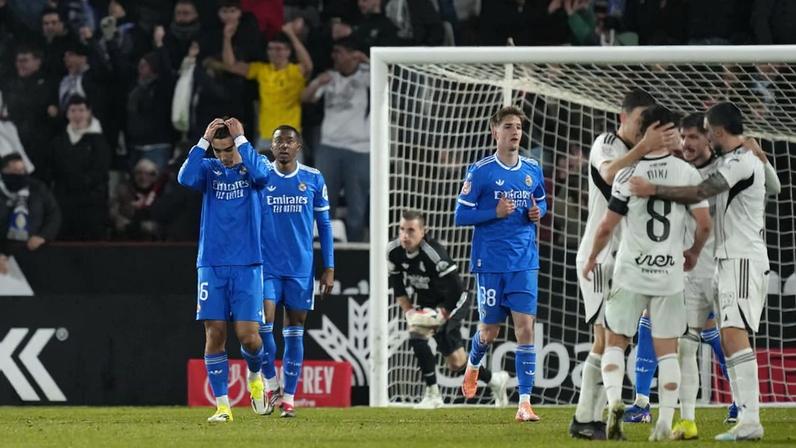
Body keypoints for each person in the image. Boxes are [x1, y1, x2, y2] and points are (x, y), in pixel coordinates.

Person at [629, 102, 781, 441]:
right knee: (695, 340)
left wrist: (653, 188)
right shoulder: (733, 159)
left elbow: (701, 191)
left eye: (705, 131)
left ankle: (750, 418)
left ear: (718, 131)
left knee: (733, 336)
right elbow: (773, 187)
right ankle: (692, 419)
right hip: (718, 264)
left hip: (740, 259)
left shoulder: (740, 161)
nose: (700, 139)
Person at [583, 105, 712, 441]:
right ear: (666, 132)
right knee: (668, 349)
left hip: (630, 272)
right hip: (668, 273)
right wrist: (694, 252)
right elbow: (705, 224)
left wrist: (592, 258)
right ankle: (665, 424)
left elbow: (606, 226)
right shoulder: (688, 175)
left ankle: (613, 402)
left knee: (615, 341)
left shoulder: (629, 175)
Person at [569, 89, 678, 440]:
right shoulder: (606, 143)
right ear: (623, 118)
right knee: (604, 338)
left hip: (624, 258)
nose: (644, 128)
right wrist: (645, 147)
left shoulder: (643, 156)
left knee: (618, 340)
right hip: (598, 256)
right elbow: (608, 173)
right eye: (639, 121)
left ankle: (594, 417)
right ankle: (585, 419)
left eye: (649, 124)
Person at [454, 106, 547, 422]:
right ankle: (473, 364)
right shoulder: (480, 171)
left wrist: (539, 213)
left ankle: (524, 403)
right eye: (508, 126)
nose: (515, 132)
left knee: (525, 329)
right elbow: (461, 215)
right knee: (489, 331)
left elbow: (541, 199)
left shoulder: (533, 167)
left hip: (524, 262)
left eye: (518, 126)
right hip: (490, 263)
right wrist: (494, 212)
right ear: (495, 131)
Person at [177, 117, 270, 422]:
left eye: (228, 149)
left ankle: (255, 378)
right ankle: (223, 407)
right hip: (212, 263)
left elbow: (262, 177)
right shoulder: (208, 169)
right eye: (218, 151)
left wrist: (242, 141)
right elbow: (184, 179)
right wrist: (203, 142)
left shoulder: (252, 165)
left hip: (247, 264)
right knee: (215, 333)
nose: (225, 156)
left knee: (248, 337)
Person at [388, 209, 510, 409]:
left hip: (454, 301)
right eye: (402, 229)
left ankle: (487, 382)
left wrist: (442, 314)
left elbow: (456, 288)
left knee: (451, 359)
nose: (405, 235)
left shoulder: (434, 254)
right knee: (429, 344)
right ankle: (488, 382)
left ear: (423, 231)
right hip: (429, 302)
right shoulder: (393, 251)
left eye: (411, 230)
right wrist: (410, 312)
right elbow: (398, 285)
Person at [257, 125, 334, 418]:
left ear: (299, 146)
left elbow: (324, 226)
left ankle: (288, 398)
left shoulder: (313, 178)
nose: (284, 146)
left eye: (290, 141)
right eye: (279, 141)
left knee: (294, 332)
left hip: (301, 269)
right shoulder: (262, 178)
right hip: (267, 266)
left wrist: (329, 266)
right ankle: (271, 381)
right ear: (272, 147)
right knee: (263, 323)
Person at [301, 35, 369, 241]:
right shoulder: (329, 77)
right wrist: (316, 84)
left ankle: (356, 251)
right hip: (329, 147)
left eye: (339, 52)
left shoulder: (369, 75)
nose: (334, 57)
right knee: (323, 202)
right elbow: (305, 98)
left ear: (353, 56)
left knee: (357, 206)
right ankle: (323, 248)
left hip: (360, 149)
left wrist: (365, 59)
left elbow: (392, 80)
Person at [223, 19, 313, 153]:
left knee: (292, 174)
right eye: (270, 48)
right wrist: (227, 37)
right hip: (266, 136)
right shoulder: (262, 70)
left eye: (279, 49)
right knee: (261, 174)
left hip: (290, 137)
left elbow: (308, 65)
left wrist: (291, 35)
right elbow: (231, 65)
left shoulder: (295, 71)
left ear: (288, 52)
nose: (274, 52)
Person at [47, 95, 110, 240]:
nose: (77, 115)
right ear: (67, 114)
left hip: (91, 204)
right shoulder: (58, 141)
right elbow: (52, 169)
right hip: (65, 202)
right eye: (73, 110)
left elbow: (100, 171)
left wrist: (84, 182)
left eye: (81, 110)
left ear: (89, 112)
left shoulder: (99, 141)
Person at [0, 152, 61, 274]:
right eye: (15, 172)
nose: (20, 175)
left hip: (32, 253)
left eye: (23, 171)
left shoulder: (38, 188)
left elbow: (53, 214)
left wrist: (43, 236)